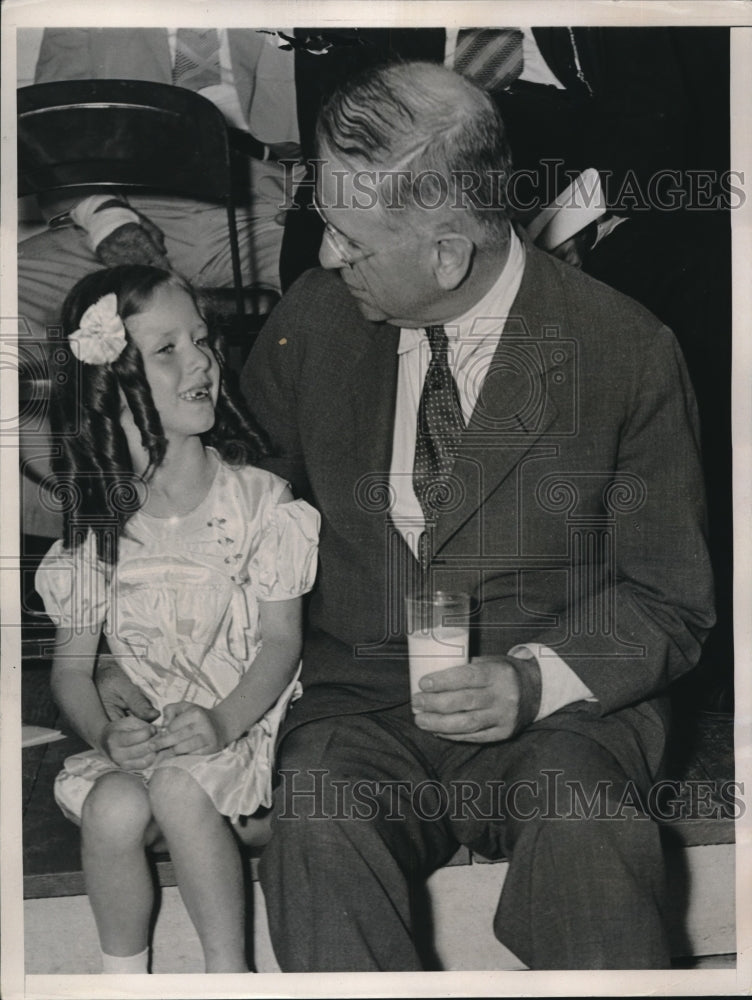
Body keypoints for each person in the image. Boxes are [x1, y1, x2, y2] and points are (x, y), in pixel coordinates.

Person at [103, 60, 715, 970]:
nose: (322, 258)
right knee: (317, 824)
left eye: (350, 240)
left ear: (446, 252)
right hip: (360, 706)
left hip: (556, 722)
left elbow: (671, 602)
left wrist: (536, 682)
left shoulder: (624, 351)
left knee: (590, 834)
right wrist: (136, 662)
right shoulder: (316, 320)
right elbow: (230, 514)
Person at [34, 265, 319, 973]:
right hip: (165, 742)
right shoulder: (99, 529)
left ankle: (229, 976)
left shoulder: (258, 504)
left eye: (202, 341)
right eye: (168, 350)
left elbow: (281, 643)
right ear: (111, 386)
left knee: (178, 785)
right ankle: (123, 979)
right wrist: (105, 733)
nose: (201, 362)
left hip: (250, 739)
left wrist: (222, 723)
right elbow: (71, 670)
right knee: (110, 808)